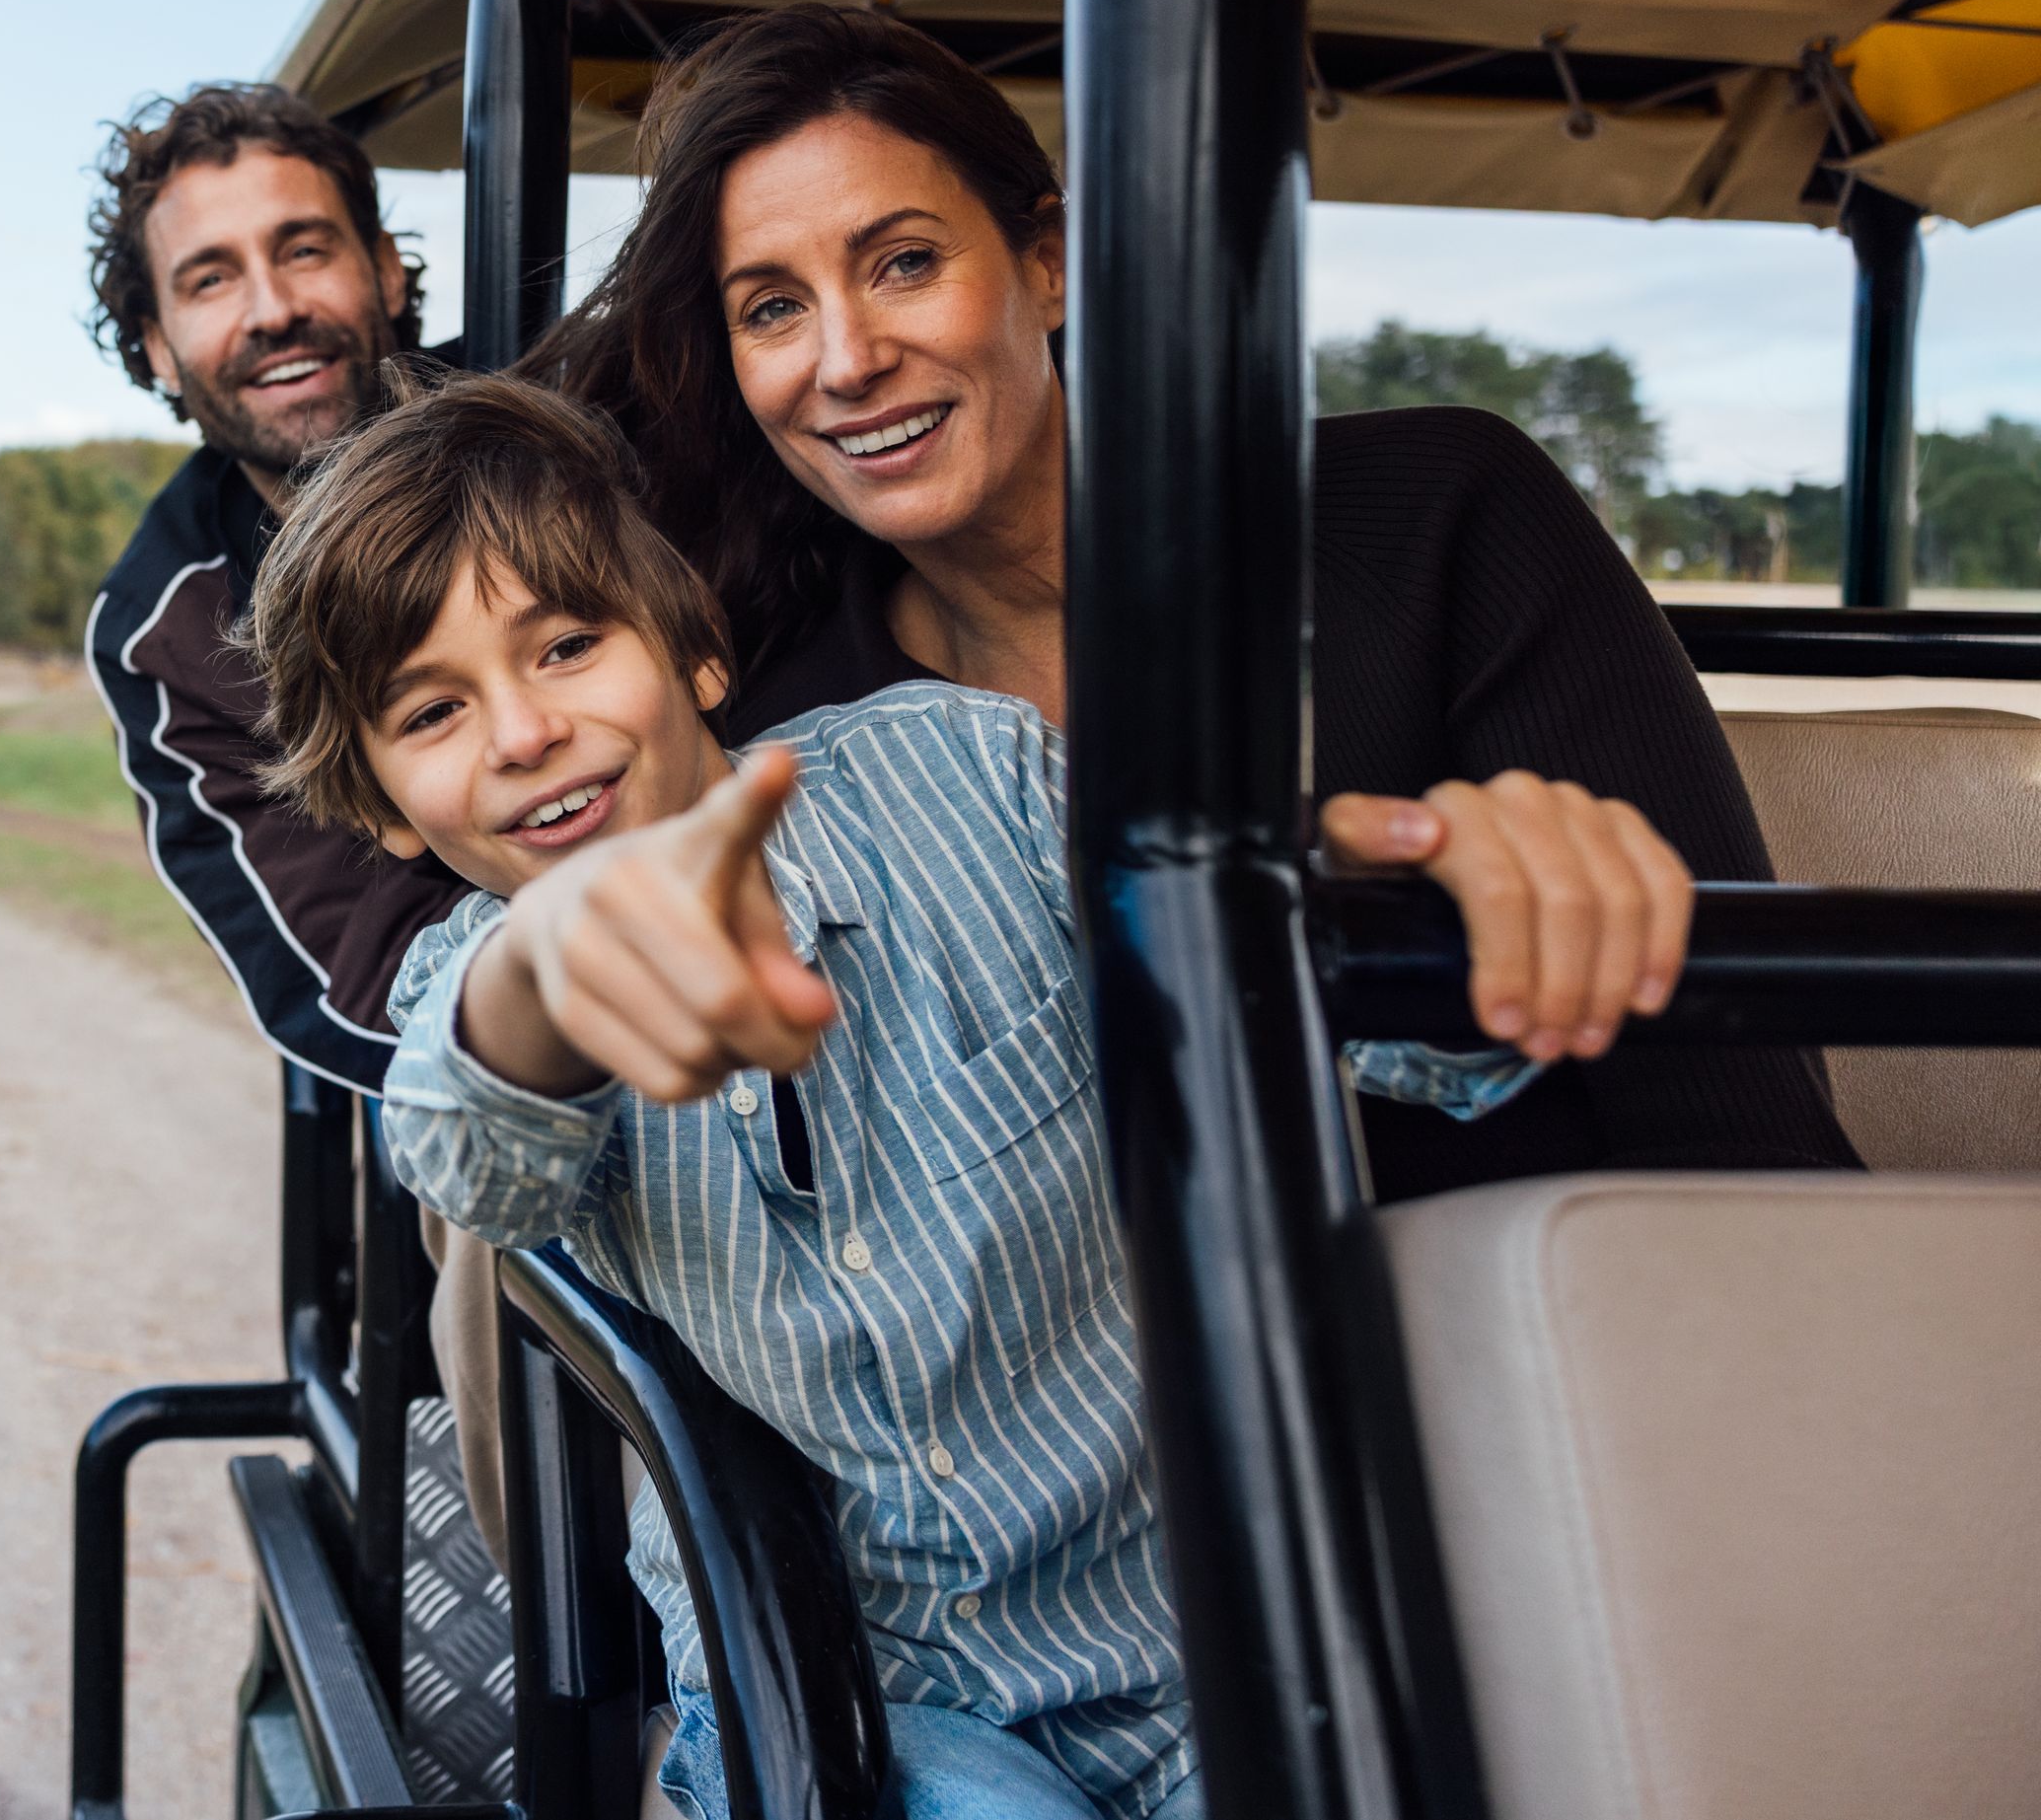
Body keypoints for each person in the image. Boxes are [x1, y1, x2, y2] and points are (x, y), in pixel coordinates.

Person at [243, 371, 1684, 1820]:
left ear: (692, 654)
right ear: (377, 806)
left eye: (567, 645)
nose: (521, 731)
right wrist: (546, 977)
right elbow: (459, 1142)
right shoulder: (474, 982)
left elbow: (1279, 990)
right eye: (432, 712)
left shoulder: (978, 772)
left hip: (1201, 1632)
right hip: (856, 1695)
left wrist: (1464, 919)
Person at [513, 3, 1854, 1192]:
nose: (849, 359)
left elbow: (1740, 1124)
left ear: (1047, 262)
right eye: (770, 309)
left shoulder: (1441, 518)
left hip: (1580, 1349)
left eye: (905, 261)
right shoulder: (786, 743)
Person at [78, 80, 463, 1091]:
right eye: (210, 279)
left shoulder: (564, 414)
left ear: (383, 269)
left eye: (304, 249)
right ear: (158, 346)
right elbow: (348, 977)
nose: (275, 309)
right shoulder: (167, 627)